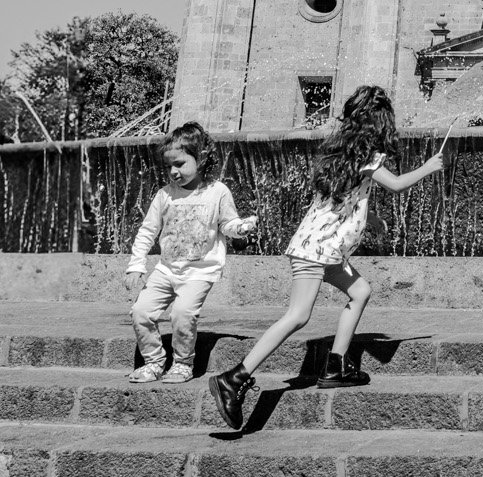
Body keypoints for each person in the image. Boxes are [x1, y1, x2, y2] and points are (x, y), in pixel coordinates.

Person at [207, 85, 444, 428]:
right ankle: (235, 378)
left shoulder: (342, 152)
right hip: (316, 250)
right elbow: (396, 185)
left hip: (324, 248)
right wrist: (429, 167)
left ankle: (336, 365)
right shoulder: (368, 156)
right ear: (379, 122)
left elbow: (341, 200)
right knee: (298, 316)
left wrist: (370, 218)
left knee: (360, 291)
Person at [125, 122, 257, 383]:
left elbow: (227, 224)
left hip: (200, 271)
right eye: (168, 166)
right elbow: (147, 231)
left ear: (202, 158)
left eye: (180, 164)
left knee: (182, 313)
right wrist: (136, 264)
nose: (173, 171)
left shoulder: (217, 192)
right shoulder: (164, 195)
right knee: (140, 312)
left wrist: (241, 228)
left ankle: (183, 363)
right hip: (165, 270)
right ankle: (153, 362)